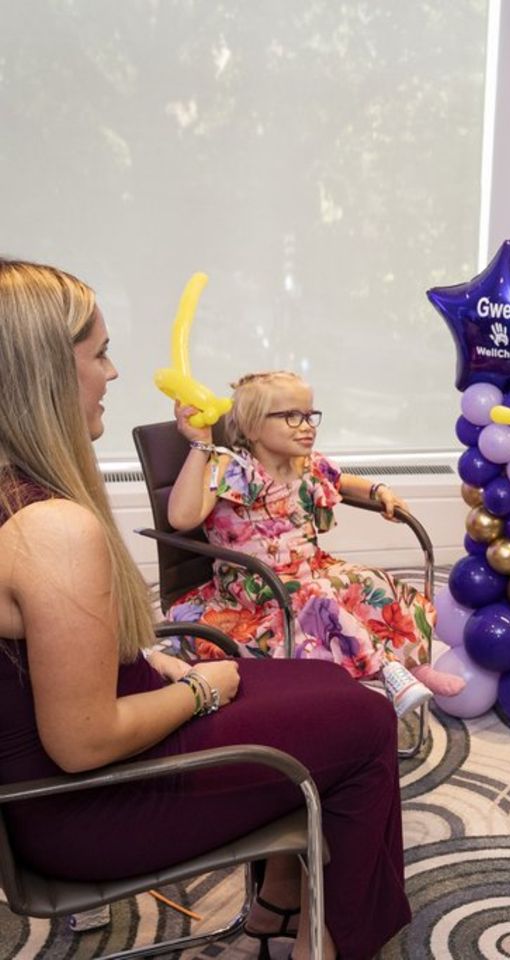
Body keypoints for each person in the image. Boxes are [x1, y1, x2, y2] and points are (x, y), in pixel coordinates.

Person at [0, 259, 412, 959]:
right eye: (100, 354)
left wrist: (145, 660)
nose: (114, 373)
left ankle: (279, 905)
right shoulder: (53, 531)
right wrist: (200, 689)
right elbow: (82, 743)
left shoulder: (17, 498)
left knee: (322, 683)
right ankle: (335, 944)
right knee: (368, 721)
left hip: (64, 788)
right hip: (91, 808)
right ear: (45, 371)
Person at [166, 369, 464, 715]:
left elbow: (343, 480)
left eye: (310, 415)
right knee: (318, 599)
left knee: (373, 583)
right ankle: (388, 671)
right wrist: (200, 445)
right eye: (291, 416)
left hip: (310, 567)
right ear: (252, 427)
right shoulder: (232, 467)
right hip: (254, 586)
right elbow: (182, 517)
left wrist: (378, 489)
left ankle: (413, 667)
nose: (307, 426)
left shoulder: (305, 465)